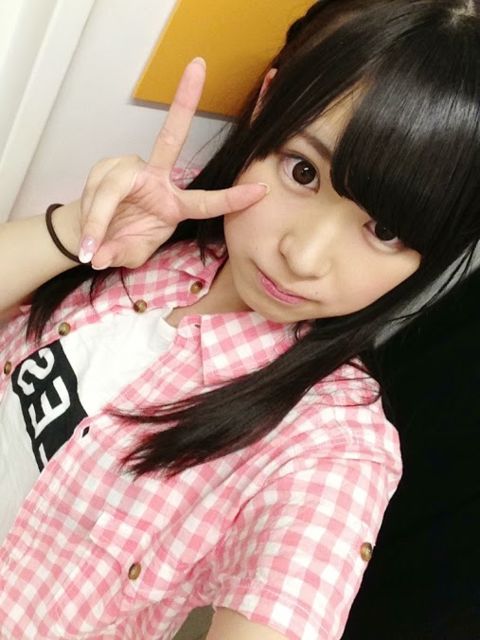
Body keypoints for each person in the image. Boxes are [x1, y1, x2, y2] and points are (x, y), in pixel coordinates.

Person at [0, 1, 479, 638]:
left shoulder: (333, 446)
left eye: (385, 230)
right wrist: (77, 232)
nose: (303, 257)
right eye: (303, 171)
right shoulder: (163, 225)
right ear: (268, 105)